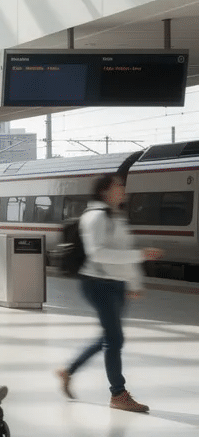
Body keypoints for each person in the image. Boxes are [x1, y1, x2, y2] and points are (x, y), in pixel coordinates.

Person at [56, 174, 163, 413]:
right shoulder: (94, 217)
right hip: (97, 283)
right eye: (118, 186)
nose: (123, 189)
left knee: (110, 337)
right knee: (114, 338)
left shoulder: (117, 215)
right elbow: (98, 254)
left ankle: (68, 370)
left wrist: (134, 283)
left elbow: (125, 250)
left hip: (117, 283)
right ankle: (118, 393)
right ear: (105, 191)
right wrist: (142, 255)